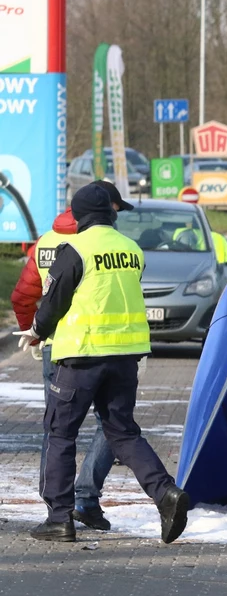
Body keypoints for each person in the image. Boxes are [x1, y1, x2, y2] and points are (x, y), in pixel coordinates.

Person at [14, 182, 189, 543]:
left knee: (61, 433)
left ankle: (59, 518)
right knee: (122, 432)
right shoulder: (132, 249)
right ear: (109, 213)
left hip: (81, 356)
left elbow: (54, 302)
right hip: (125, 357)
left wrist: (35, 330)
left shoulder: (74, 249)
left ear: (78, 216)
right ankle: (165, 494)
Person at [10, 209, 115, 531]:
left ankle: (56, 507)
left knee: (56, 429)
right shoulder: (102, 243)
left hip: (53, 344)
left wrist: (30, 330)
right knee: (113, 425)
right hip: (101, 345)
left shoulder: (48, 240)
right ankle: (86, 497)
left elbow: (23, 294)